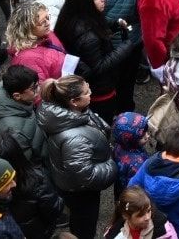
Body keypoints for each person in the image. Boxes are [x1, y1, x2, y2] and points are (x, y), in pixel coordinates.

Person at [37, 75, 117, 238]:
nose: (91, 93)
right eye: (87, 92)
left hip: (71, 184)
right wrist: (112, 166)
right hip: (81, 192)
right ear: (74, 101)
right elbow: (85, 176)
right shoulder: (74, 139)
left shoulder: (72, 113)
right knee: (84, 227)